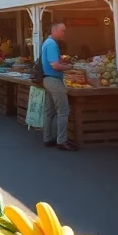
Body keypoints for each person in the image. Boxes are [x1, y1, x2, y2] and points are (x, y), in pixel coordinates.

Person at [41, 23, 77, 151]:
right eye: (62, 30)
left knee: (49, 111)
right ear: (54, 30)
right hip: (54, 80)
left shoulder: (47, 42)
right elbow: (55, 65)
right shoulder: (52, 44)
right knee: (63, 111)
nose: (64, 33)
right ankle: (62, 140)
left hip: (48, 79)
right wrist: (68, 67)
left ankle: (47, 138)